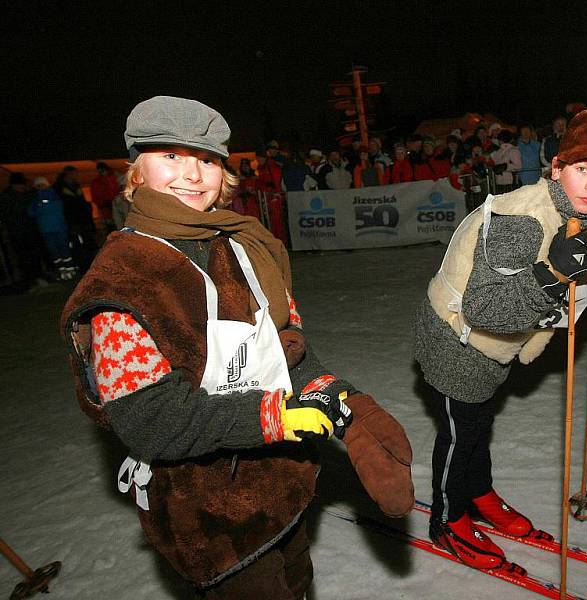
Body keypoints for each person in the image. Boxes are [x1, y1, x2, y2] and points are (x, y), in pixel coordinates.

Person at [60, 96, 413, 599]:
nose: (192, 174)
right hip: (209, 513)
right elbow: (150, 420)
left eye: (206, 159)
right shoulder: (123, 279)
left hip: (282, 484)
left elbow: (283, 350)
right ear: (135, 172)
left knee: (297, 585)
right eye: (171, 156)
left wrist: (344, 399)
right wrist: (275, 417)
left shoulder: (241, 249)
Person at [413, 107, 587, 571]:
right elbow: (485, 309)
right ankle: (447, 519)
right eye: (583, 169)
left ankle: (478, 491)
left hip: (496, 346)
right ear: (556, 168)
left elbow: (578, 289)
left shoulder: (579, 213)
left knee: (480, 420)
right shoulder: (522, 220)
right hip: (458, 338)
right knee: (460, 430)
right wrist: (552, 272)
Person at [0, 171, 46, 290]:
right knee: (23, 257)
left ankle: (38, 276)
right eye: (21, 185)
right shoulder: (7, 197)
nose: (23, 187)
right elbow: (7, 215)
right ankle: (30, 280)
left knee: (35, 255)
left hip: (30, 231)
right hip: (17, 233)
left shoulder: (27, 194)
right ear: (15, 185)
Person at [29, 176, 77, 280]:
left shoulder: (53, 195)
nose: (41, 187)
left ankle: (70, 269)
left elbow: (56, 207)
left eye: (42, 185)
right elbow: (31, 212)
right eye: (38, 186)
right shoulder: (36, 199)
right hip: (48, 229)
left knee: (63, 248)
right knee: (54, 251)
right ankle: (62, 271)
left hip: (58, 228)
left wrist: (42, 208)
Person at [54, 165, 98, 270]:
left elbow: (81, 202)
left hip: (83, 219)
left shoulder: (76, 186)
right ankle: (81, 264)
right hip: (71, 221)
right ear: (68, 174)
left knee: (87, 242)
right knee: (76, 243)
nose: (77, 175)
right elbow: (64, 206)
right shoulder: (59, 188)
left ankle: (90, 263)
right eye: (74, 173)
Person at [90, 161, 119, 232]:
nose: (102, 172)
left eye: (103, 170)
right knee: (111, 224)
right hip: (106, 206)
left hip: (114, 204)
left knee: (116, 223)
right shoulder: (97, 182)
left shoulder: (114, 178)